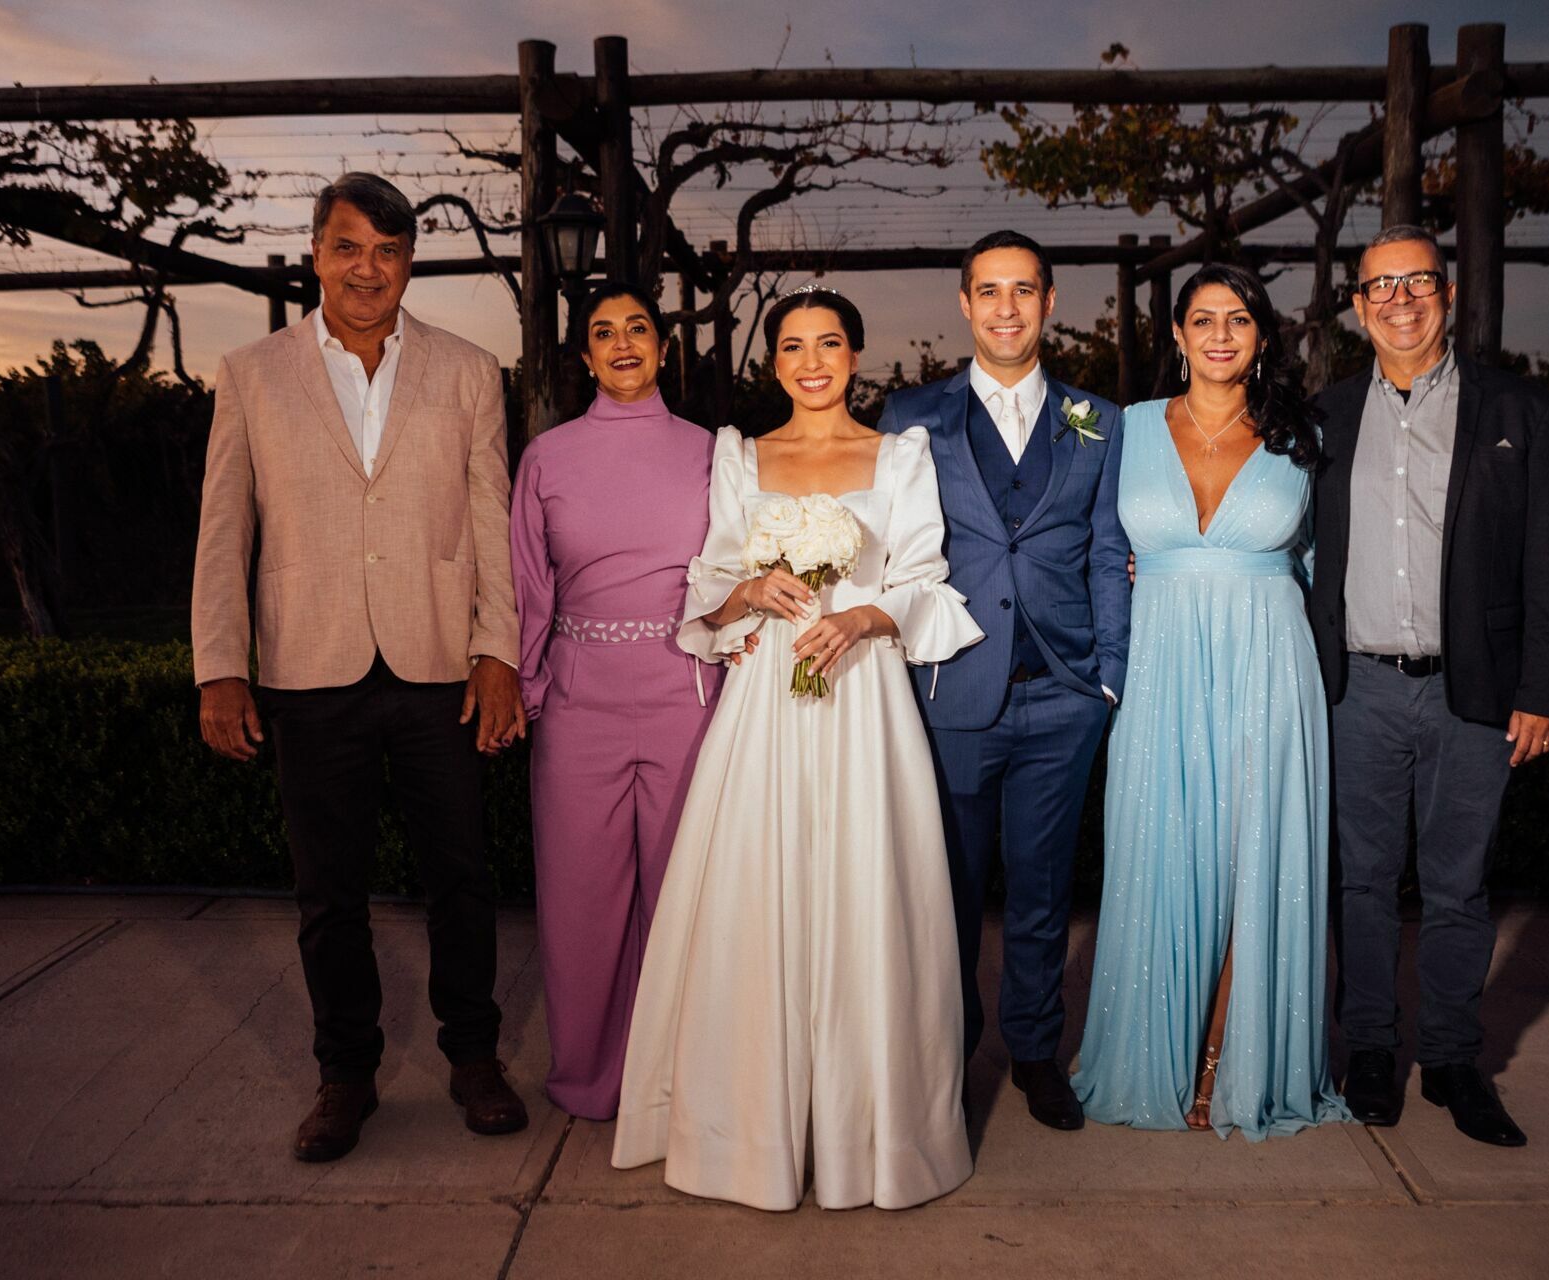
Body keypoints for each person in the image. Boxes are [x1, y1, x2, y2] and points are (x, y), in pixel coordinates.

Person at [612, 287, 984, 1211]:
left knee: (867, 890)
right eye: (790, 346)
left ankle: (872, 1132)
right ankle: (752, 1130)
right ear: (771, 362)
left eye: (828, 344)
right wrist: (753, 593)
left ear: (856, 356)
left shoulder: (900, 456)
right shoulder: (741, 455)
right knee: (758, 890)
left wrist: (865, 612)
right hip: (768, 701)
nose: (810, 361)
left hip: (862, 694)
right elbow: (710, 582)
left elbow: (926, 579)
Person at [192, 172, 530, 1162]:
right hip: (309, 661)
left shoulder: (470, 370)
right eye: (348, 248)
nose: (367, 269)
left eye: (387, 251)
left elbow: (490, 523)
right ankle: (345, 1074)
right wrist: (221, 663)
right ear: (316, 254)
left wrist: (497, 648)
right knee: (327, 891)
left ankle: (473, 1055)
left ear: (409, 262)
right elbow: (224, 528)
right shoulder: (252, 372)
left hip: (436, 661)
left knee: (462, 875)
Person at [1310, 224, 1549, 1148]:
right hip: (1357, 690)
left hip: (1476, 692)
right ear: (1357, 307)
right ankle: (1374, 1051)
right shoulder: (1325, 417)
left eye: (1417, 281)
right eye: (1379, 287)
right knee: (1362, 884)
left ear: (1447, 293)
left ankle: (1458, 1060)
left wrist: (1543, 689)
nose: (1399, 300)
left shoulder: (1519, 410)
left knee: (1461, 886)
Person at [1072, 263, 1350, 1139]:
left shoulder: (1301, 433)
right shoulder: (1125, 426)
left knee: (1255, 860)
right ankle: (1154, 1053)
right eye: (1203, 319)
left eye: (1238, 319)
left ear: (1262, 337)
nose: (1220, 334)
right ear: (1180, 336)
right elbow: (1076, 534)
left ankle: (1229, 1064)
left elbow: (1323, 560)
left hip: (1269, 661)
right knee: (1160, 849)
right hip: (1158, 666)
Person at [876, 231, 1130, 1131]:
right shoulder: (912, 417)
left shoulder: (1099, 419)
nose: (1007, 308)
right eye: (989, 291)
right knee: (942, 889)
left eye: (1024, 290)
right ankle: (946, 1051)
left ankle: (1033, 1050)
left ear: (1050, 302)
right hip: (951, 694)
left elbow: (1106, 550)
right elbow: (881, 550)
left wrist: (1109, 678)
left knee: (1042, 889)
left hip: (1064, 695)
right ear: (965, 304)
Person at [509, 281, 721, 1121]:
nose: (624, 343)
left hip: (691, 699)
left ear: (664, 348)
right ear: (585, 355)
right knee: (580, 900)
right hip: (579, 705)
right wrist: (525, 691)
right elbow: (528, 586)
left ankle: (683, 1075)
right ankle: (590, 1077)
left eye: (639, 328)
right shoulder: (547, 457)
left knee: (687, 894)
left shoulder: (713, 451)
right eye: (605, 332)